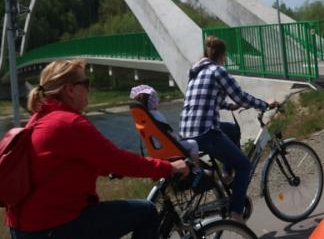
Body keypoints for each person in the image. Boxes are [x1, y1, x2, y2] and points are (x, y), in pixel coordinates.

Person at [6, 60, 189, 239]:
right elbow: (119, 160)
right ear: (69, 90)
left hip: (24, 227)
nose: (89, 89)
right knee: (146, 211)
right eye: (85, 83)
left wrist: (105, 168)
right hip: (54, 226)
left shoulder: (39, 118)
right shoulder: (69, 123)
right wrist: (168, 167)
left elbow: (62, 163)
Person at [179, 36, 277, 223]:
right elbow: (240, 96)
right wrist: (264, 105)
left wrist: (227, 106)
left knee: (232, 129)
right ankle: (236, 215)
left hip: (186, 133)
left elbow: (205, 99)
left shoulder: (195, 72)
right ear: (222, 57)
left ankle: (226, 175)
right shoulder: (218, 71)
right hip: (205, 133)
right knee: (244, 165)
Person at [129, 84, 199, 157]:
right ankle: (196, 168)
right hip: (167, 146)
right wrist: (179, 138)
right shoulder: (156, 115)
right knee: (193, 143)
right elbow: (167, 132)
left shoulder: (145, 115)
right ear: (152, 100)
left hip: (156, 148)